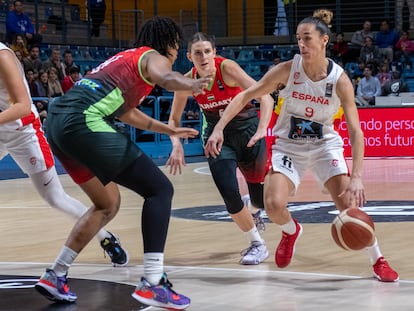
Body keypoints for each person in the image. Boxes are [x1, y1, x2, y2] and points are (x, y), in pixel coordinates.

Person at [204, 9, 399, 283]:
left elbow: (356, 131)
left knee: (348, 207)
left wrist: (356, 177)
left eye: (307, 38)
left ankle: (378, 260)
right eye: (298, 39)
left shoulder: (340, 80)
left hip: (324, 146)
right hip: (288, 146)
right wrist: (219, 128)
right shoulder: (287, 69)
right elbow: (247, 94)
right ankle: (291, 230)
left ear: (324, 40)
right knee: (272, 204)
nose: (301, 44)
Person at [34, 16, 211, 310]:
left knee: (107, 204)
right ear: (168, 43)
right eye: (177, 46)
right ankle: (153, 282)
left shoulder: (125, 61)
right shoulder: (152, 56)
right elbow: (168, 79)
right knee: (160, 190)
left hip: (57, 123)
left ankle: (55, 274)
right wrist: (190, 82)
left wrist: (169, 130)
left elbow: (126, 113)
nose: (177, 52)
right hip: (82, 122)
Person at [0, 42, 128, 272]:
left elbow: (21, 106)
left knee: (55, 198)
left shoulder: (2, 56)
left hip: (23, 132)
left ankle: (105, 237)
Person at [166, 32, 275, 265]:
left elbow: (265, 97)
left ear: (214, 53)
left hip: (248, 132)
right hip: (217, 139)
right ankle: (257, 244)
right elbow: (173, 120)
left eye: (207, 51)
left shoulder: (228, 69)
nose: (203, 56)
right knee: (229, 193)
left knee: (261, 200)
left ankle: (254, 210)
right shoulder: (186, 83)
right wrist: (176, 144)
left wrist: (262, 129)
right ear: (189, 57)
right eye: (198, 52)